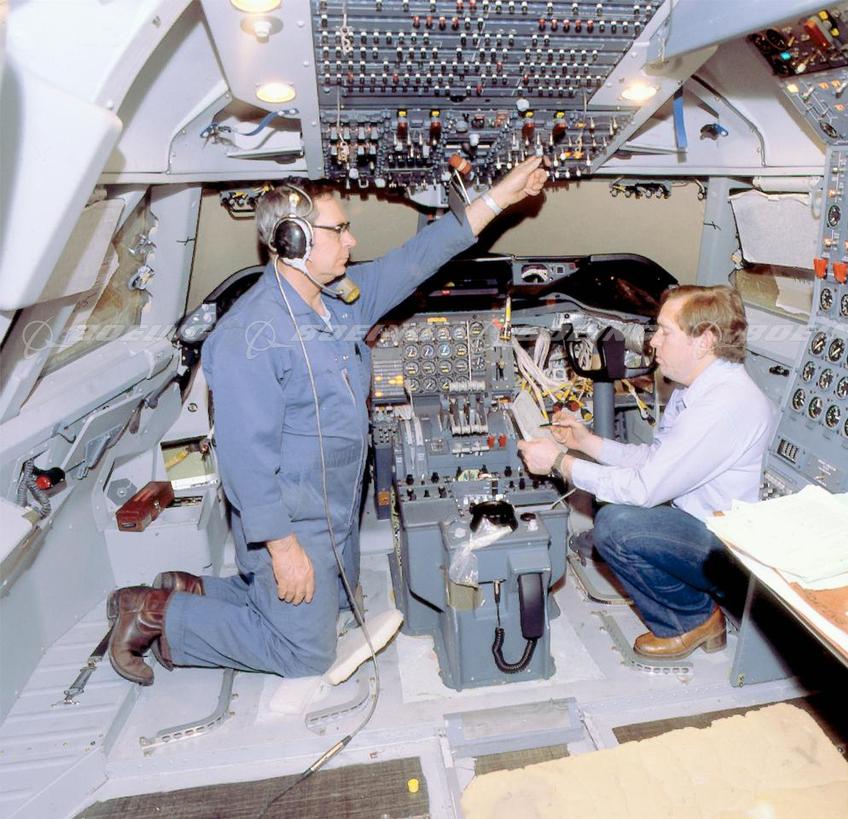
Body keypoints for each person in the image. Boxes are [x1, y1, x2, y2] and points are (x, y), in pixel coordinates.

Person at [107, 157, 549, 685]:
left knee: (339, 607)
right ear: (293, 240)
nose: (351, 240)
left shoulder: (340, 305)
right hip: (294, 518)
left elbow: (417, 259)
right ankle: (157, 615)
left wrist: (500, 196)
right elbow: (245, 461)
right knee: (305, 654)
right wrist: (283, 548)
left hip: (337, 505)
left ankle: (193, 590)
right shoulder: (250, 336)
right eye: (339, 229)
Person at [518, 285, 776, 660]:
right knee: (616, 511)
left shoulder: (723, 405)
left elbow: (643, 488)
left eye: (665, 332)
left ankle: (693, 619)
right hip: (699, 525)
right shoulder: (697, 390)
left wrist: (560, 463)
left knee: (617, 526)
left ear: (705, 341)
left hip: (729, 553)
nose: (653, 342)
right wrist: (588, 443)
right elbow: (655, 460)